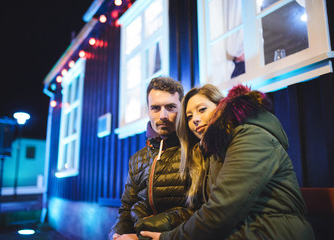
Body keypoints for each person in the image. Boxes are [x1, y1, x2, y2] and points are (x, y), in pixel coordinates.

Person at [141, 84, 315, 239]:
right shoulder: (212, 153)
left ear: (221, 106)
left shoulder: (249, 135)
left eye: (202, 109)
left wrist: (168, 238)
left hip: (273, 231)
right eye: (189, 116)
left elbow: (222, 209)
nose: (194, 119)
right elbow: (204, 211)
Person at [109, 77, 197, 240]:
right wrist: (117, 235)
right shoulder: (137, 159)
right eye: (155, 108)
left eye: (171, 107)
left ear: (182, 108)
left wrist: (144, 234)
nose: (163, 115)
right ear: (148, 111)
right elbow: (126, 208)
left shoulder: (196, 150)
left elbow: (203, 210)